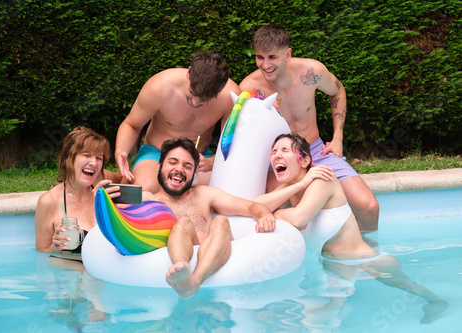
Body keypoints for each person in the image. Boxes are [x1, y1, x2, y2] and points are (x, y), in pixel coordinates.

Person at [254, 133, 448, 323]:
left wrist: (272, 213)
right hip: (336, 266)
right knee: (322, 318)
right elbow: (253, 205)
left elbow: (298, 218)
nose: (277, 155)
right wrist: (294, 189)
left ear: (304, 160)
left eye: (285, 150)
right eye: (274, 151)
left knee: (408, 288)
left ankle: (437, 302)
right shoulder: (293, 188)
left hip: (369, 262)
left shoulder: (323, 178)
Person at [240, 23, 379, 232]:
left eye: (272, 57)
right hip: (278, 160)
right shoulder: (250, 88)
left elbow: (338, 91)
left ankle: (363, 252)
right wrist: (263, 114)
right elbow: (243, 133)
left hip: (316, 151)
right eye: (260, 57)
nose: (265, 64)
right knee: (273, 212)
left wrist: (338, 137)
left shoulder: (310, 72)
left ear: (287, 54)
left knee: (369, 207)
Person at [142, 138, 276, 298]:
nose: (179, 169)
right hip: (179, 261)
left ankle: (194, 280)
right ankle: (182, 268)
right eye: (173, 162)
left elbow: (250, 206)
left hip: (217, 263)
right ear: (159, 166)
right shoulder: (149, 200)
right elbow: (117, 208)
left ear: (194, 173)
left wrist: (265, 214)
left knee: (221, 221)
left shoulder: (205, 195)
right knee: (183, 222)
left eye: (187, 166)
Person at [115, 52, 242, 193]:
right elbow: (132, 125)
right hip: (157, 153)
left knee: (220, 192)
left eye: (205, 99)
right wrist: (121, 150)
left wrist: (211, 162)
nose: (195, 102)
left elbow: (232, 142)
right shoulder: (160, 86)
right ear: (188, 73)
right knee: (145, 190)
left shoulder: (230, 97)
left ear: (220, 89)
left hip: (198, 159)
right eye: (192, 93)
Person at [35, 126, 121, 258]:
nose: (94, 163)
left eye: (99, 158)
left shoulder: (102, 187)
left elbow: (124, 177)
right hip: (73, 273)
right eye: (86, 155)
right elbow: (41, 252)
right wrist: (54, 249)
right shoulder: (49, 201)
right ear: (68, 158)